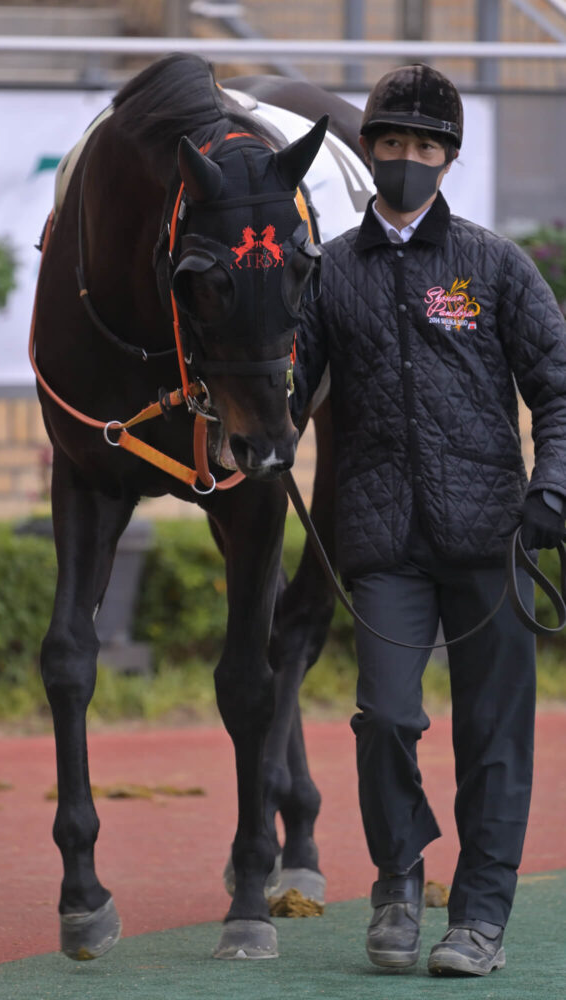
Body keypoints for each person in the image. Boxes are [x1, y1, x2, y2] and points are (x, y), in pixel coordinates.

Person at [292, 63, 566, 977]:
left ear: (448, 157)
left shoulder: (494, 264)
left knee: (494, 738)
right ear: (368, 150)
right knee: (385, 718)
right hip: (384, 544)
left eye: (424, 145)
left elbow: (558, 390)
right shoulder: (329, 271)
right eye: (392, 143)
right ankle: (400, 884)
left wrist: (552, 492)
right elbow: (287, 389)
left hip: (494, 538)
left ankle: (480, 920)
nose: (407, 159)